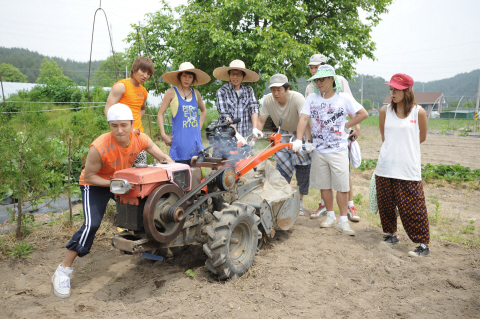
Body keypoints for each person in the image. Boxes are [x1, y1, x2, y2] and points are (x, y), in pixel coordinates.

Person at [52, 104, 173, 298]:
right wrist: (115, 184)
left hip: (122, 182)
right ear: (109, 125)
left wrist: (176, 170)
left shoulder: (140, 139)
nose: (119, 130)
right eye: (114, 125)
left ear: (132, 124)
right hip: (96, 184)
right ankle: (63, 270)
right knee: (91, 224)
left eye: (124, 125)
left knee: (145, 212)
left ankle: (149, 249)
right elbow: (90, 176)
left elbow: (163, 157)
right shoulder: (99, 147)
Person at [294, 65, 368, 235]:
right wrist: (299, 139)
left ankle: (343, 220)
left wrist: (347, 125)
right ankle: (329, 216)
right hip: (319, 150)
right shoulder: (312, 98)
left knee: (342, 186)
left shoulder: (344, 98)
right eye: (316, 80)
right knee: (325, 186)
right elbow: (304, 118)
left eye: (322, 79)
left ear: (331, 80)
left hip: (338, 149)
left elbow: (363, 113)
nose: (318, 82)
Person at [375, 73, 430, 257]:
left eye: (396, 90)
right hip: (385, 166)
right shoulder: (385, 111)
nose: (392, 93)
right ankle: (392, 234)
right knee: (386, 204)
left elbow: (420, 138)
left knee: (414, 207)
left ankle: (423, 244)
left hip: (408, 168)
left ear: (407, 91)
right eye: (391, 89)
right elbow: (385, 137)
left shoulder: (418, 112)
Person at [305, 54, 360, 223]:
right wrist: (308, 139)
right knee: (324, 177)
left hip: (340, 136)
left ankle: (350, 206)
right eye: (312, 68)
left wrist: (354, 126)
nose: (314, 70)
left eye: (317, 67)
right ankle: (325, 206)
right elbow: (308, 115)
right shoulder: (310, 88)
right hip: (321, 138)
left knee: (343, 173)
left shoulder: (340, 80)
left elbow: (349, 104)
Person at [255, 74, 313, 215]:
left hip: (300, 132)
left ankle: (299, 201)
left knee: (302, 168)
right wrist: (255, 134)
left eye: (279, 90)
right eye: (273, 90)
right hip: (283, 134)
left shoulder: (297, 98)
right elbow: (261, 121)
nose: (275, 93)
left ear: (287, 89)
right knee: (282, 168)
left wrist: (306, 141)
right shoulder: (268, 100)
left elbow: (305, 120)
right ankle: (283, 198)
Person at [158, 62, 210, 165]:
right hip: (180, 143)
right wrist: (164, 135)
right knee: (181, 175)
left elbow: (204, 111)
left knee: (196, 174)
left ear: (193, 79)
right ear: (179, 77)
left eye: (190, 77)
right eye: (184, 76)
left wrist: (198, 128)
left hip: (195, 143)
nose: (187, 79)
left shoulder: (196, 93)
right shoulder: (171, 92)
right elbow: (160, 114)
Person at [104, 57, 154, 165]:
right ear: (134, 69)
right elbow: (108, 109)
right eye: (143, 71)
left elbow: (142, 109)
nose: (145, 76)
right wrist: (123, 127)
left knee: (139, 172)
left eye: (148, 73)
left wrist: (134, 124)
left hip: (138, 137)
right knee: (121, 172)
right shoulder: (121, 86)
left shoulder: (144, 92)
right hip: (122, 137)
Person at [213, 60, 262, 144]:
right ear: (229, 75)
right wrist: (237, 135)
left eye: (238, 74)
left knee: (244, 157)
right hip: (225, 137)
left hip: (244, 135)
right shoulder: (222, 91)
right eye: (233, 74)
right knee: (225, 156)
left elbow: (254, 109)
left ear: (243, 76)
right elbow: (225, 115)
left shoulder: (249, 90)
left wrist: (255, 128)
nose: (235, 77)